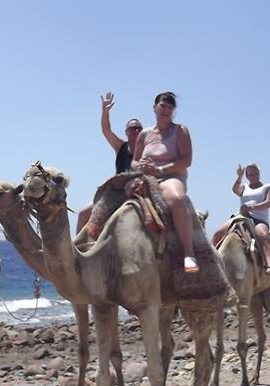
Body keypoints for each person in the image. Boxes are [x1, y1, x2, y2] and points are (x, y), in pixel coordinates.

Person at [132, 92, 199, 273]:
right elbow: (134, 160)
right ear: (154, 107)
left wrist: (159, 170)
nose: (167, 109)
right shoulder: (144, 134)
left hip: (171, 177)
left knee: (177, 199)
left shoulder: (180, 131)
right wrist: (141, 166)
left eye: (170, 107)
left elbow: (186, 161)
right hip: (145, 178)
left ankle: (188, 253)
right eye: (163, 105)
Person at [75, 92, 144, 233]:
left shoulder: (148, 150)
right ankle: (78, 251)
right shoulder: (120, 147)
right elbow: (106, 130)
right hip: (115, 192)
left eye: (138, 128)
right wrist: (105, 111)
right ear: (127, 132)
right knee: (83, 214)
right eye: (132, 128)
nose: (135, 130)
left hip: (138, 193)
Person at [211, 163, 270, 275]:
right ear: (247, 176)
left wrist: (252, 206)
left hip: (258, 219)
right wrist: (239, 177)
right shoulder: (244, 187)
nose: (253, 176)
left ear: (259, 173)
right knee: (218, 233)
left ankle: (269, 263)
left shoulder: (267, 187)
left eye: (255, 174)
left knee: (263, 235)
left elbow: (269, 203)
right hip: (241, 217)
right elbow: (235, 190)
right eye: (250, 175)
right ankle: (210, 260)